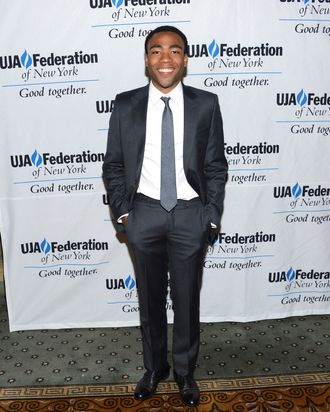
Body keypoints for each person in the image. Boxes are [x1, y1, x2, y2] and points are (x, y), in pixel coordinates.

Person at [103, 26, 228, 406]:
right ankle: (154, 368)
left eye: (174, 51)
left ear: (185, 59)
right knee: (150, 298)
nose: (165, 58)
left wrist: (210, 215)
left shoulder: (206, 103)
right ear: (146, 59)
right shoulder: (125, 105)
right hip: (144, 213)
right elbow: (114, 165)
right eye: (156, 51)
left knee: (188, 300)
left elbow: (215, 166)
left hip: (190, 214)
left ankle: (185, 373)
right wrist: (124, 212)